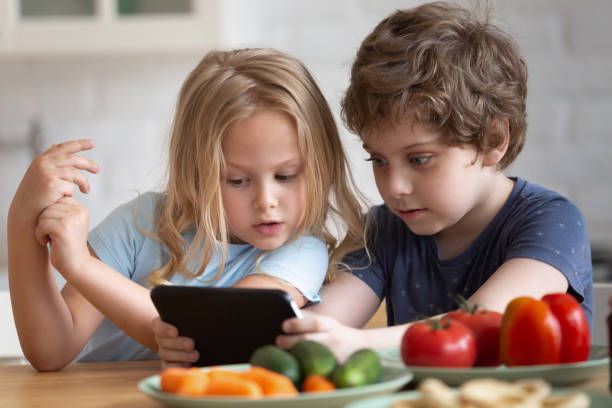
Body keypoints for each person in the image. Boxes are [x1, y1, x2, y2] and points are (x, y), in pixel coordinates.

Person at [154, 1, 594, 365]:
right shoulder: (385, 231)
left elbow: (485, 322)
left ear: (493, 140)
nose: (394, 185)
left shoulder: (551, 221)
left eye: (419, 159)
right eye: (378, 160)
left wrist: (360, 343)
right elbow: (318, 325)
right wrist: (212, 337)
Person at [7, 48, 366, 371]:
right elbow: (50, 351)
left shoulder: (302, 250)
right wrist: (22, 220)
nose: (266, 200)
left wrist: (81, 266)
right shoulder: (140, 223)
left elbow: (212, 333)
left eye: (286, 175)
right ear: (197, 173)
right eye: (238, 180)